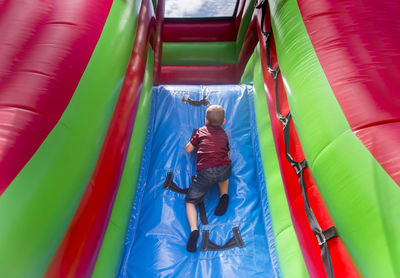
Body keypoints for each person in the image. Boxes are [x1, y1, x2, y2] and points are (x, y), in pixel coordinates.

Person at [184, 105, 232, 252]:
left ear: (206, 120)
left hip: (205, 172)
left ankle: (194, 230)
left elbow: (188, 149)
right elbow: (228, 153)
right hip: (224, 169)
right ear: (223, 121)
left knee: (190, 201)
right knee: (224, 173)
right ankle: (224, 195)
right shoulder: (224, 134)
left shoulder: (201, 131)